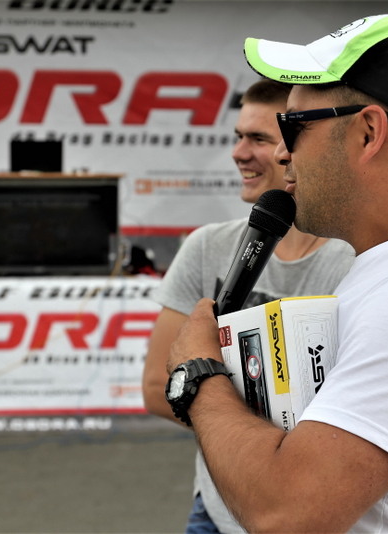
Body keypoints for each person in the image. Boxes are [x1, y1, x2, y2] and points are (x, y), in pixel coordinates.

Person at [164, 14, 388, 533]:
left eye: (293, 126)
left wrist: (199, 373)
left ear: (368, 132)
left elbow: (285, 514)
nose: (281, 152)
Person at [141, 79, 355, 533]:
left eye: (258, 138)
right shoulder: (207, 247)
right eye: (238, 136)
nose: (239, 153)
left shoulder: (357, 263)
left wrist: (210, 392)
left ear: (296, 148)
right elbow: (158, 386)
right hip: (216, 514)